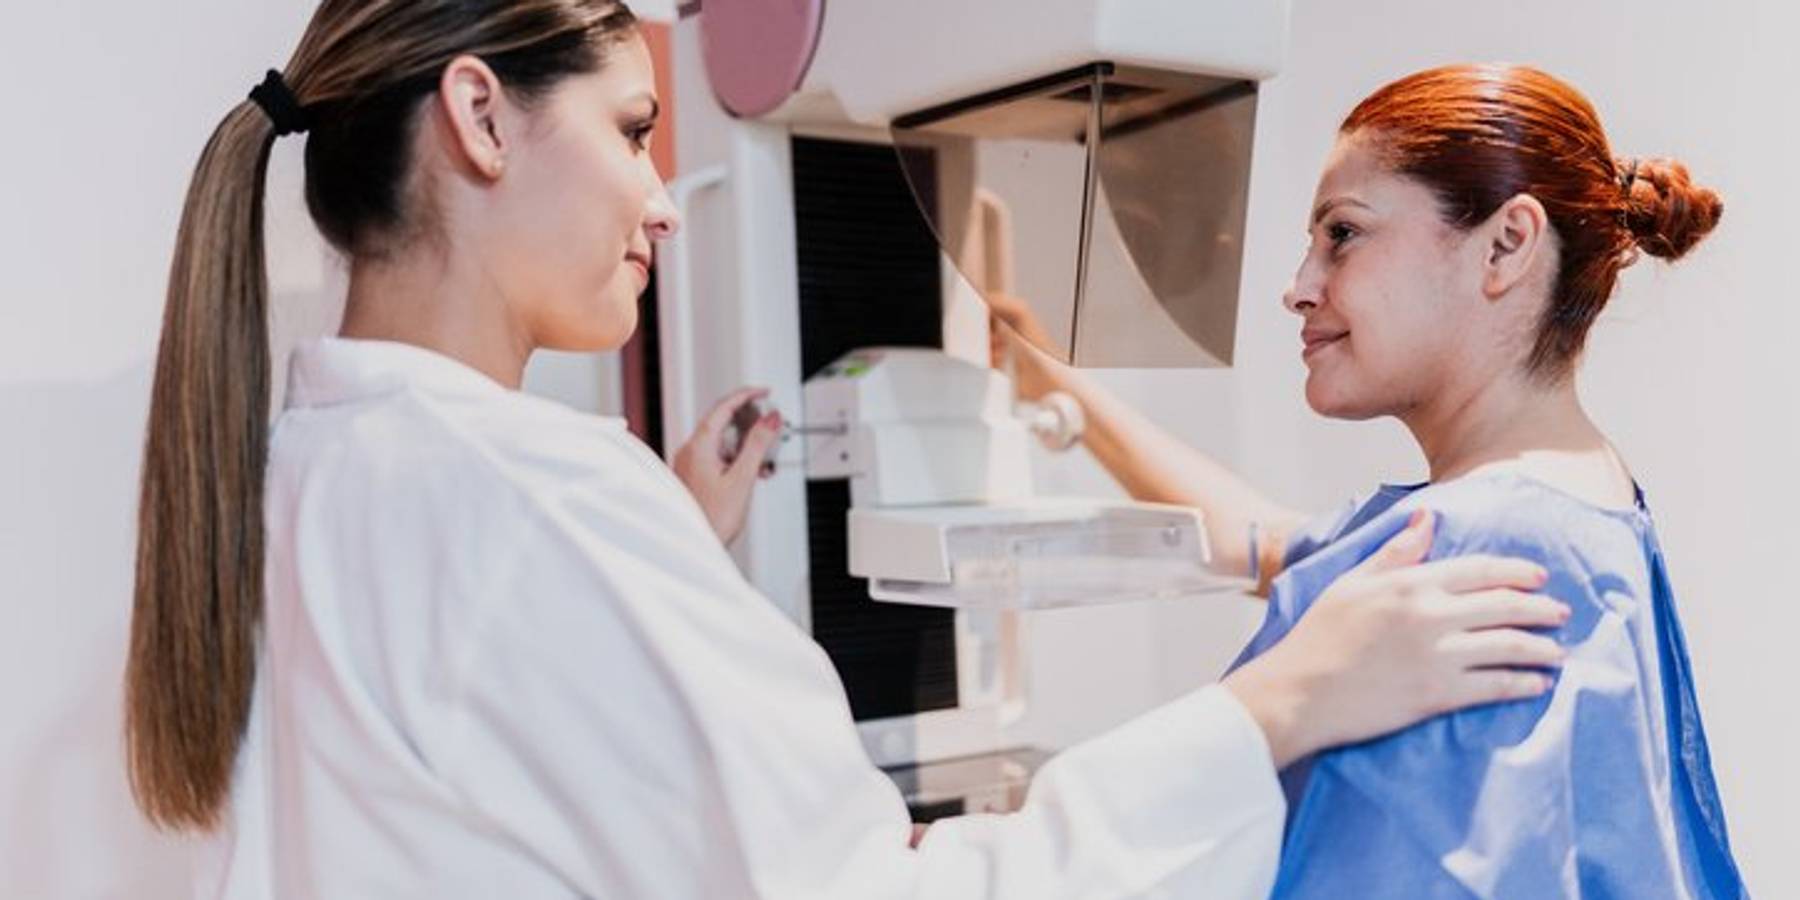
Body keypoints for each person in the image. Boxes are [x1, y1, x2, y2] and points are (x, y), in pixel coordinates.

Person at [123, 5, 1573, 897]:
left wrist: (664, 556)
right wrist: (1271, 710)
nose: (661, 194)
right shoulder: (537, 506)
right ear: (481, 118)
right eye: (634, 129)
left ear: (1513, 254)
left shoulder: (297, 469)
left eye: (1343, 234)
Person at [995, 64, 1744, 897]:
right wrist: (1051, 382)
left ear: (1507, 245)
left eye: (1342, 235)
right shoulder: (1574, 504)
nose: (1298, 287)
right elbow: (1262, 542)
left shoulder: (1481, 545)